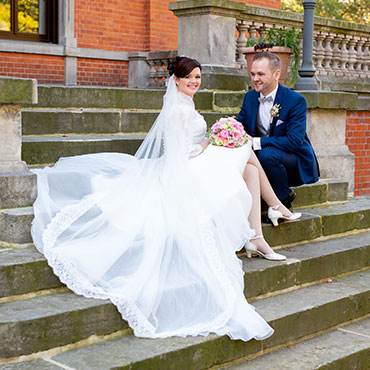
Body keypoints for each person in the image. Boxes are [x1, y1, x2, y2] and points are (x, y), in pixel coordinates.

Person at [31, 56, 297, 343]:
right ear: (176, 81)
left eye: (198, 77)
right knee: (243, 149)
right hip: (182, 170)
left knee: (247, 164)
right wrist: (211, 141)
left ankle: (257, 232)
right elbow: (180, 153)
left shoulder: (185, 103)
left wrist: (215, 140)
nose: (195, 82)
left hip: (191, 161)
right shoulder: (177, 111)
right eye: (190, 78)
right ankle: (272, 212)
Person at [237, 51, 320, 211]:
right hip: (263, 156)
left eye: (260, 74)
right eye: (252, 74)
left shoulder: (295, 100)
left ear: (276, 74)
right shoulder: (250, 98)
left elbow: (294, 141)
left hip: (293, 159)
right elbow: (241, 126)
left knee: (266, 155)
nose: (255, 79)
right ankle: (258, 200)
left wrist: (257, 142)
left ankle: (283, 204)